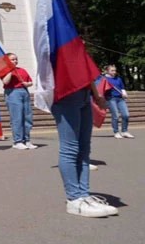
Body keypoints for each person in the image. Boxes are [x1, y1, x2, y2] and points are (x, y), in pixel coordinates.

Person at [52, 81, 118, 217]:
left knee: (84, 147)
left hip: (84, 92)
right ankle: (74, 199)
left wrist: (96, 94)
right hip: (66, 91)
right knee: (70, 148)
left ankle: (84, 195)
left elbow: (85, 69)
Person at [1, 53, 37, 150]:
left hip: (24, 91)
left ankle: (27, 140)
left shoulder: (22, 70)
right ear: (7, 61)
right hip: (12, 92)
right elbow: (5, 82)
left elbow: (30, 82)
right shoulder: (4, 70)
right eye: (12, 60)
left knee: (27, 116)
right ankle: (18, 141)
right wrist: (10, 71)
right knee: (17, 118)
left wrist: (27, 84)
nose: (15, 61)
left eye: (16, 59)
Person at [102, 65, 133, 139]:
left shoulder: (118, 79)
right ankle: (116, 132)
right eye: (112, 70)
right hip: (111, 99)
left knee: (126, 115)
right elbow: (101, 88)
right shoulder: (104, 79)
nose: (114, 72)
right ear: (107, 71)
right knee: (115, 115)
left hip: (120, 99)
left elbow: (122, 87)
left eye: (115, 70)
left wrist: (124, 92)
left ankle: (124, 131)